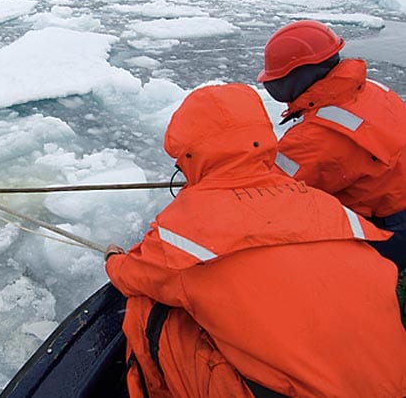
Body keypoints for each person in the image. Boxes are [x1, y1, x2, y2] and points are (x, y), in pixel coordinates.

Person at [105, 83, 406, 397]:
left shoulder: (183, 233)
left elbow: (133, 276)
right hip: (391, 385)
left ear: (189, 155)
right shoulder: (326, 206)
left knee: (145, 305)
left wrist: (113, 259)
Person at [257, 19, 406, 271]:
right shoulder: (368, 89)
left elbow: (265, 193)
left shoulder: (316, 137)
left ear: (299, 76)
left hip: (390, 232)